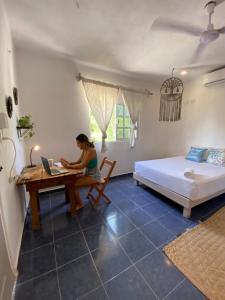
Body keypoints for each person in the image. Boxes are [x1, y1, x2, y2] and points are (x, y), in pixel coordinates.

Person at [60, 133, 101, 213]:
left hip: (95, 176)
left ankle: (80, 204)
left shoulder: (91, 151)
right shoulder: (85, 150)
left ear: (84, 142)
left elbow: (82, 165)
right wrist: (69, 163)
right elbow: (78, 161)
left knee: (73, 185)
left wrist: (69, 167)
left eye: (78, 143)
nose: (77, 145)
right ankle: (74, 201)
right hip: (88, 174)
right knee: (70, 181)